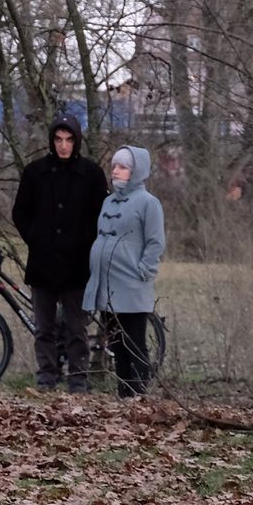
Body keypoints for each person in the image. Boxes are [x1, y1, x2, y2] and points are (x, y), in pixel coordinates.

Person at [10, 117, 107, 393]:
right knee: (44, 327)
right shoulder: (35, 172)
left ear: (76, 141)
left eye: (69, 139)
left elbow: (100, 215)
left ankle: (78, 380)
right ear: (52, 141)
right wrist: (36, 238)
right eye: (58, 139)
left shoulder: (92, 174)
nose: (63, 145)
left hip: (77, 265)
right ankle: (46, 378)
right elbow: (20, 212)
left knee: (77, 328)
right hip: (43, 263)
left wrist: (84, 242)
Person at [84, 146, 166, 399]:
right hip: (107, 285)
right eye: (114, 166)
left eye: (123, 167)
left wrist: (143, 271)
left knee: (134, 343)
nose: (116, 171)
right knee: (117, 344)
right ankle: (124, 395)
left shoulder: (149, 203)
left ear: (136, 171)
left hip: (131, 286)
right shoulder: (108, 201)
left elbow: (155, 242)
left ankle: (138, 396)